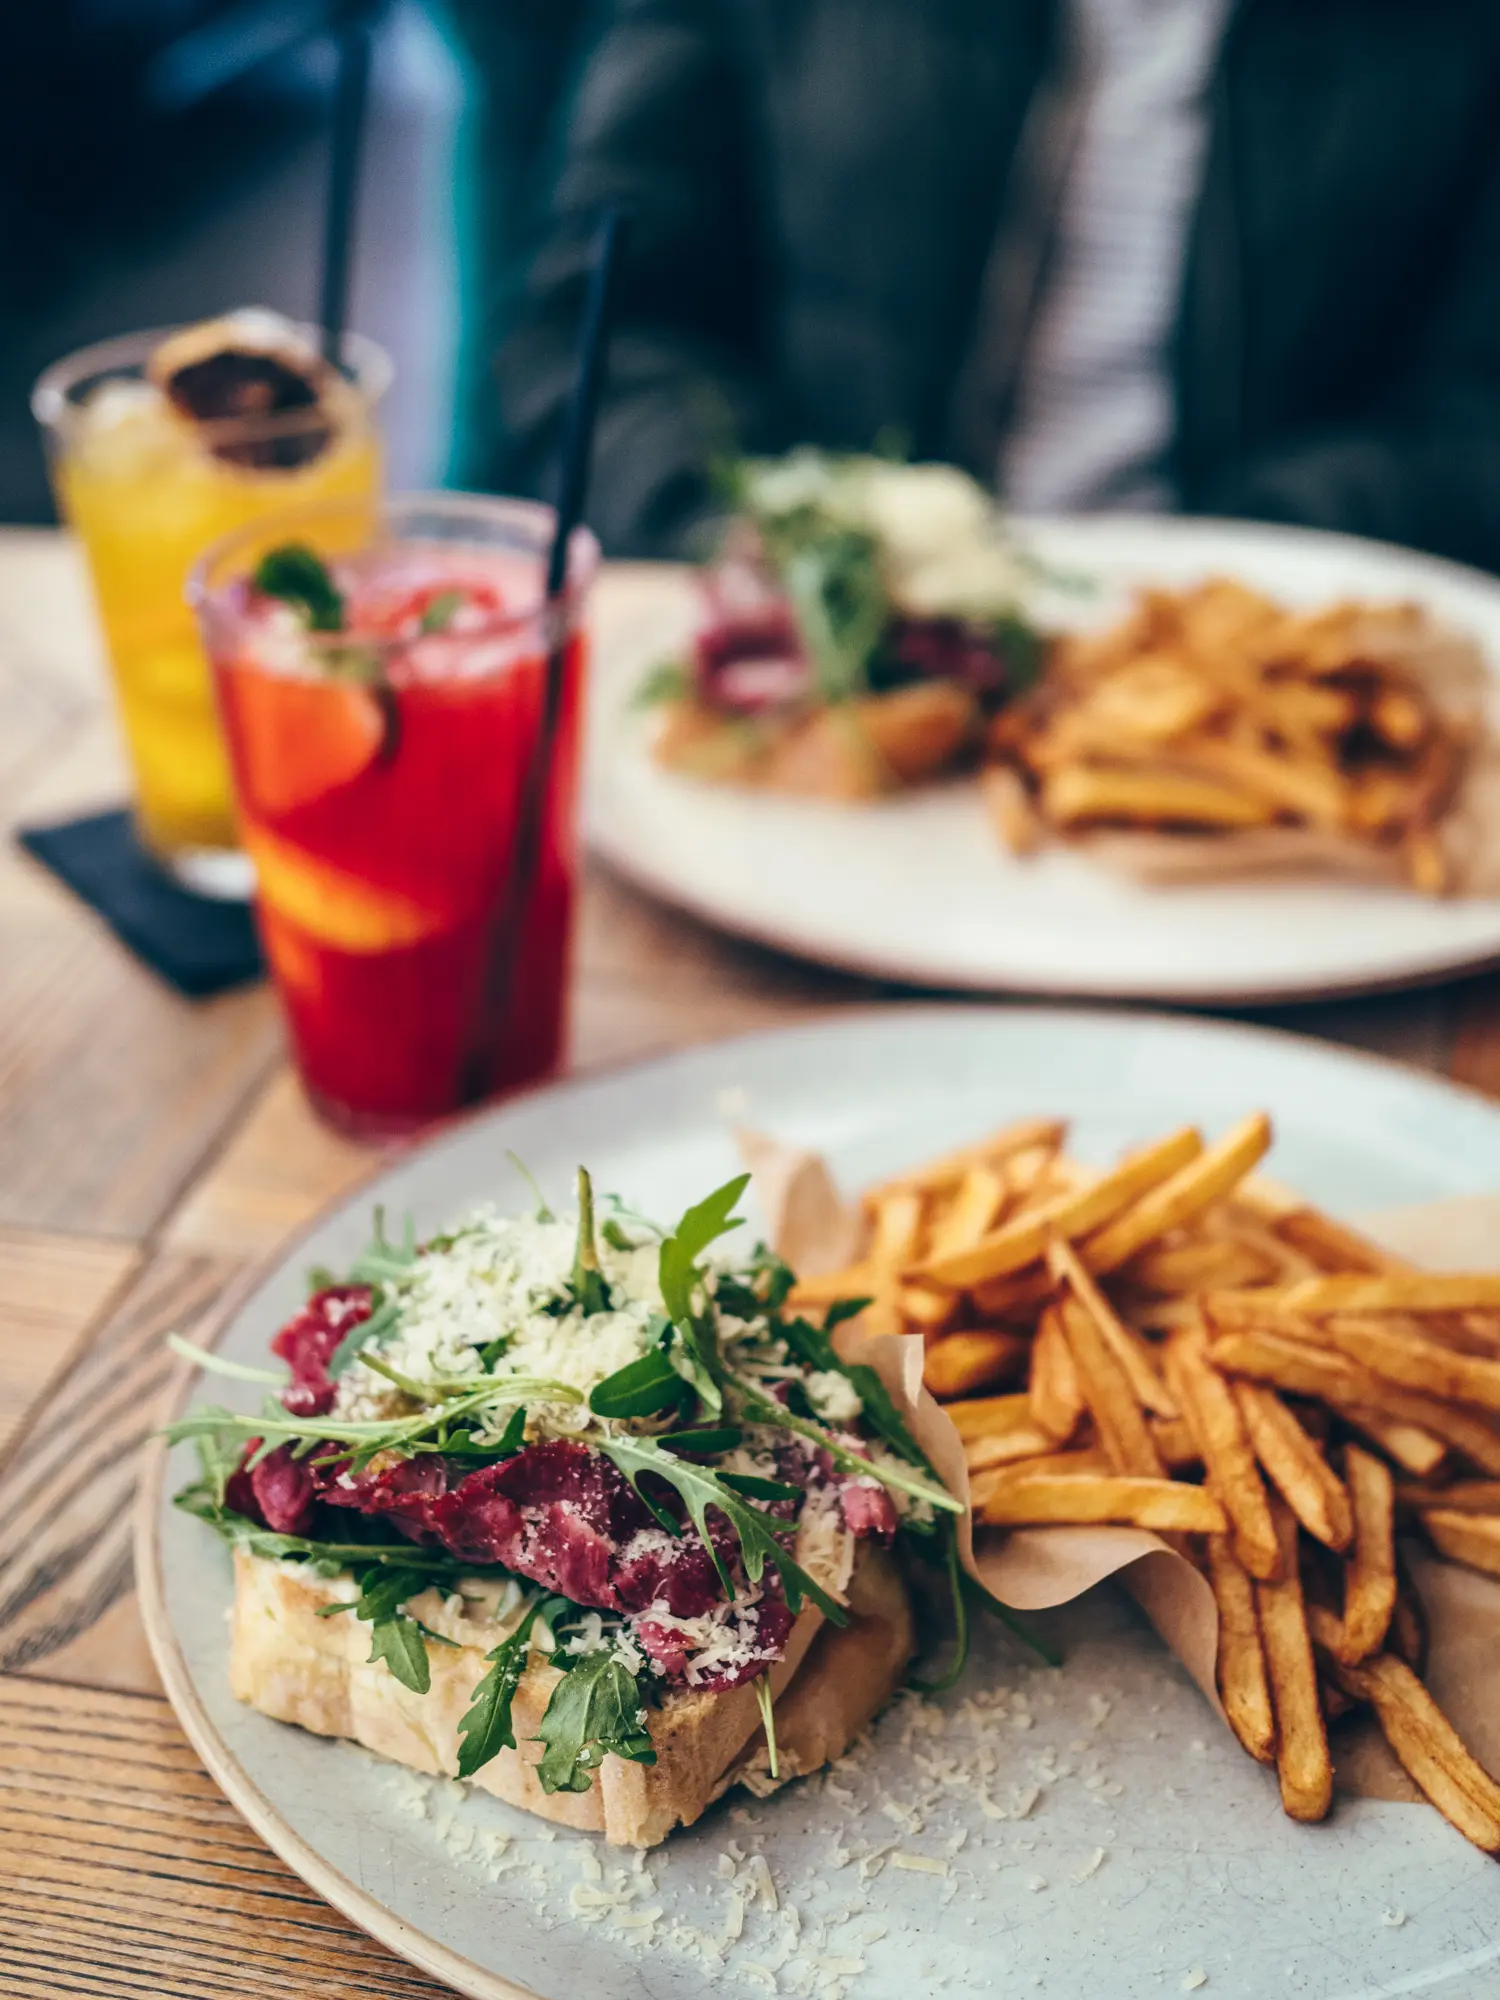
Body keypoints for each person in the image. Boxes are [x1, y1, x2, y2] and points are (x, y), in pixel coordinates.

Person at [481, 0, 1500, 572]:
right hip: (817, 697)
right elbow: (598, 325)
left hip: (1239, 684)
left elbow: (1474, 420)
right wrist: (748, 533)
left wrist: (1220, 576)